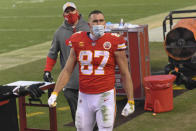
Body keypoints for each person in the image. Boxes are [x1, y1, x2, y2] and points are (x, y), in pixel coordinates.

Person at [48, 10, 135, 131]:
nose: (99, 24)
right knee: (82, 128)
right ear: (89, 24)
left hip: (105, 95)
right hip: (84, 95)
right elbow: (67, 70)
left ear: (105, 23)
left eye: (101, 21)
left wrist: (130, 99)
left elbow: (125, 73)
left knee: (105, 128)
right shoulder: (78, 39)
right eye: (95, 21)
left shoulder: (114, 41)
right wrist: (55, 92)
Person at [43, 2, 90, 123]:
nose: (70, 13)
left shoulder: (88, 27)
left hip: (89, 80)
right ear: (63, 14)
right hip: (69, 83)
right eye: (67, 11)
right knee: (78, 118)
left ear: (77, 11)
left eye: (72, 10)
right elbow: (53, 53)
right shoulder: (59, 32)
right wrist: (47, 70)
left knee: (91, 116)